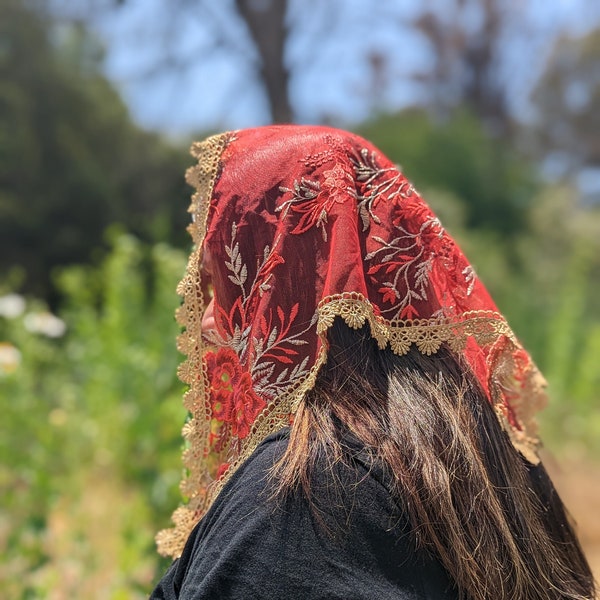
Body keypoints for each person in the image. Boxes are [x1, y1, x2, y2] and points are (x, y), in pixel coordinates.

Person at [150, 125, 595, 599]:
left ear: (280, 285)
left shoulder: (298, 498)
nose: (208, 323)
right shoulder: (488, 447)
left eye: (225, 283)